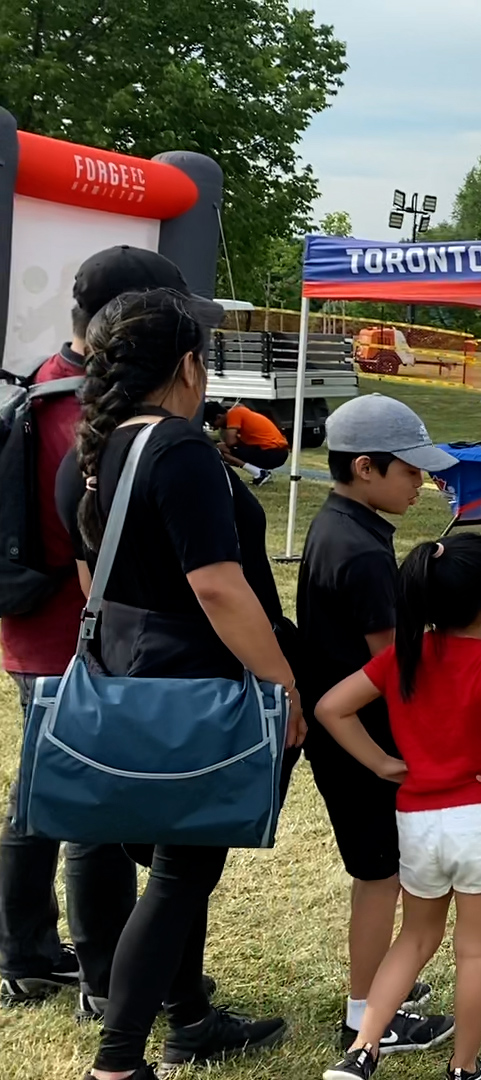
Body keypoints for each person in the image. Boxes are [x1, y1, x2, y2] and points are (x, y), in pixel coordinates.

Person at [54, 288, 299, 1080]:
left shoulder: (88, 453)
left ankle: (189, 1017)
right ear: (189, 365)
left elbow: (96, 576)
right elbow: (219, 587)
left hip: (123, 675)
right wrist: (283, 686)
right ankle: (119, 1061)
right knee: (181, 871)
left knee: (168, 862)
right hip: (193, 685)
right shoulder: (179, 448)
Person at [0, 248, 175, 1017]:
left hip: (29, 630)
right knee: (91, 811)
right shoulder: (93, 415)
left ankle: (26, 956)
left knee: (40, 793)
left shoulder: (37, 389)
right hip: (80, 639)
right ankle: (104, 982)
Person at [317, 533, 481, 1080]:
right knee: (476, 952)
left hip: (417, 822)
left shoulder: (401, 657)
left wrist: (381, 764)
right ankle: (464, 1069)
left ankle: (362, 1051)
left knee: (414, 939)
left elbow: (330, 708)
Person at [297, 394, 457, 1055]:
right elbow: (394, 666)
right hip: (362, 743)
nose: (420, 483)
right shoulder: (360, 554)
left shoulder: (342, 524)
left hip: (349, 736)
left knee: (379, 871)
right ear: (366, 468)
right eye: (410, 471)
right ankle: (368, 1014)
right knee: (379, 875)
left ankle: (377, 987)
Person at [205, 401, 289, 485]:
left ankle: (260, 473)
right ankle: (260, 472)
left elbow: (230, 442)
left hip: (272, 452)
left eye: (211, 423)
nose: (213, 427)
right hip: (278, 451)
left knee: (221, 449)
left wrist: (222, 429)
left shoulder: (234, 414)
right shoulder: (238, 412)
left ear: (218, 417)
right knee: (225, 448)